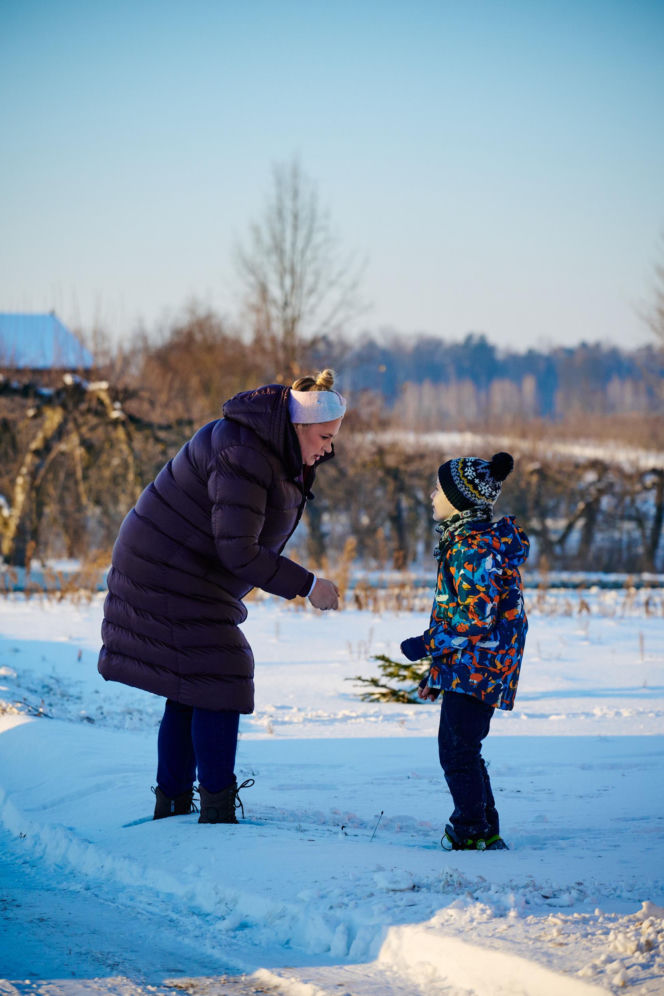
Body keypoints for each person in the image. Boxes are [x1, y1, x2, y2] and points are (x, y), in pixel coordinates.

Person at [98, 369, 346, 824]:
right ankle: (216, 812)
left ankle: (173, 802)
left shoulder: (271, 450)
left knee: (192, 682)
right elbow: (239, 549)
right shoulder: (244, 452)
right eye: (325, 437)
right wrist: (309, 586)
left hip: (183, 569)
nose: (329, 448)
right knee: (221, 671)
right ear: (299, 427)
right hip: (164, 570)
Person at [400, 451, 529, 851]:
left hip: (482, 667)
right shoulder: (466, 543)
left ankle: (473, 829)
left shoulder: (473, 548)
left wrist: (426, 645)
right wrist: (439, 674)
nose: (431, 494)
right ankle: (482, 826)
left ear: (460, 499)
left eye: (438, 488)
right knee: (463, 748)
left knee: (457, 750)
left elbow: (474, 619)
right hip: (475, 666)